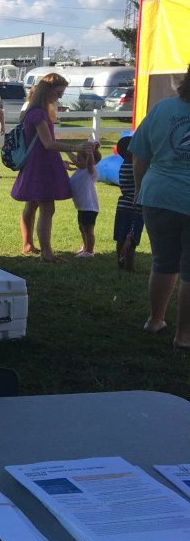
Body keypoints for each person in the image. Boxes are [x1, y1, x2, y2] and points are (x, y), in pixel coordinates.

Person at [130, 67, 190, 347]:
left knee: (164, 262)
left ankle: (155, 320)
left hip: (158, 195)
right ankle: (184, 335)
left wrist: (140, 189)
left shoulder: (162, 108)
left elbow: (139, 155)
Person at [12, 74, 91, 263]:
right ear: (48, 89)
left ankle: (29, 245)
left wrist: (61, 158)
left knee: (32, 204)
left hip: (38, 163)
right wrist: (75, 148)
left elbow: (43, 143)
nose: (60, 97)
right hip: (41, 166)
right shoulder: (39, 113)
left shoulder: (34, 110)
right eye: (58, 92)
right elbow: (48, 143)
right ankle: (46, 253)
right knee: (47, 209)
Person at [114, 135, 144, 271]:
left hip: (123, 206)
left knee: (121, 237)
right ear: (129, 151)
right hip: (133, 207)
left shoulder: (124, 165)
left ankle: (121, 264)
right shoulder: (133, 167)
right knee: (131, 239)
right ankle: (129, 267)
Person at [66, 144, 102, 258]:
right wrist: (66, 150)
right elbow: (74, 159)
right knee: (82, 228)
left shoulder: (90, 171)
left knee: (88, 230)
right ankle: (85, 247)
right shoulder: (80, 170)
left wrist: (90, 153)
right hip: (82, 207)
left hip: (89, 207)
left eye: (79, 159)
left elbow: (89, 163)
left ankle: (89, 251)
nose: (76, 161)